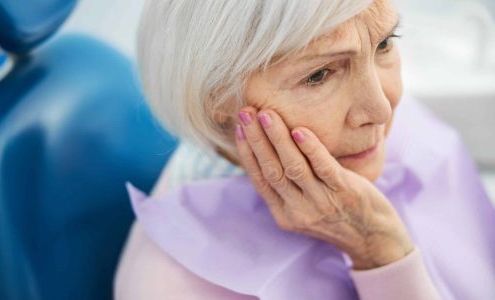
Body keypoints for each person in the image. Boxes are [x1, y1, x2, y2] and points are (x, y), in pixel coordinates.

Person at [114, 0, 495, 299]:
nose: (381, 108)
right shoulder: (174, 284)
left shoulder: (399, 126)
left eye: (384, 44)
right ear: (217, 103)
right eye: (318, 75)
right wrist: (380, 252)